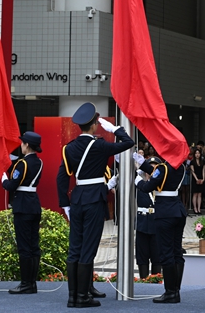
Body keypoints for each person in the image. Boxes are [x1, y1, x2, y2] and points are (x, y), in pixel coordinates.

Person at [57, 104, 134, 308]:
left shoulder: (69, 148)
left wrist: (64, 203)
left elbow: (62, 178)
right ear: (93, 126)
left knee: (75, 248)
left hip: (78, 198)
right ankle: (83, 297)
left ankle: (73, 296)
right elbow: (129, 142)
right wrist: (115, 129)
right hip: (93, 200)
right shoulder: (99, 146)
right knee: (88, 249)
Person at [137, 154, 187, 304]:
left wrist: (138, 181)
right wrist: (143, 164)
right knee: (176, 251)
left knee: (166, 253)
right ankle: (176, 290)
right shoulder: (180, 167)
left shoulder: (162, 169)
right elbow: (159, 173)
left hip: (165, 212)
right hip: (177, 210)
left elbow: (147, 187)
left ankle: (170, 292)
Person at [1, 131, 44, 294]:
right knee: (33, 245)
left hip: (23, 206)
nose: (21, 146)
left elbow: (11, 186)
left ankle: (26, 283)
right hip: (34, 204)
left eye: (22, 143)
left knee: (24, 247)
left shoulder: (22, 164)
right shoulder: (39, 162)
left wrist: (3, 178)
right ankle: (32, 283)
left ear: (27, 145)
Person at [134, 157, 161, 279]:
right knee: (142, 256)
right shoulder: (140, 184)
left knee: (157, 256)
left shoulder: (162, 186)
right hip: (142, 224)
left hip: (156, 224)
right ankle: (143, 280)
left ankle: (156, 281)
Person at [190, 149, 205, 215]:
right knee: (195, 194)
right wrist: (197, 179)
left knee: (200, 194)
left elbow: (203, 170)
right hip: (195, 179)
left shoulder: (203, 161)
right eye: (196, 153)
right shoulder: (192, 162)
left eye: (198, 153)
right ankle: (195, 208)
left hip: (201, 178)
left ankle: (199, 209)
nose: (197, 154)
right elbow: (192, 171)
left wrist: (203, 179)